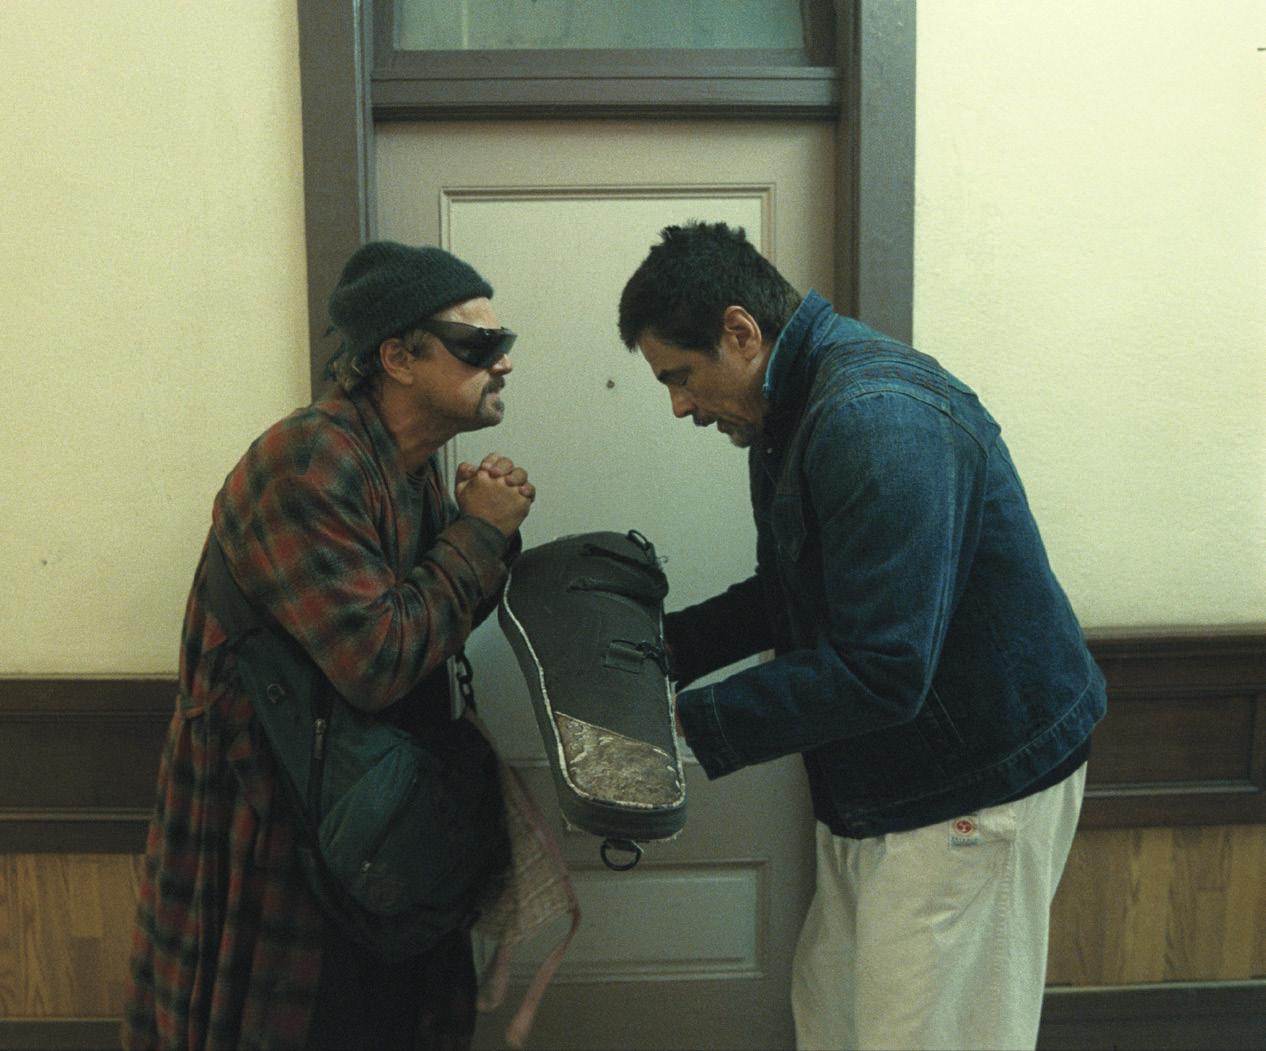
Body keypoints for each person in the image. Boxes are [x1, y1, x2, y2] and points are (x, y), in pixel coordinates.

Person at [618, 221, 1105, 1051]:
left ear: (740, 332)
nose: (679, 405)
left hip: (974, 783)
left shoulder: (876, 420)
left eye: (680, 376)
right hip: (885, 778)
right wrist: (662, 651)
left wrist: (677, 724)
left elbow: (882, 669)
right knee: (835, 1017)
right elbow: (794, 592)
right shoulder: (786, 409)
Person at [123, 241, 535, 1050]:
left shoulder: (406, 466)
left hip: (363, 817)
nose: (504, 361)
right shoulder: (307, 465)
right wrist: (479, 535)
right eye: (478, 343)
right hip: (280, 825)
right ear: (396, 358)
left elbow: (431, 629)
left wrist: (480, 534)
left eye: (503, 340)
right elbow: (378, 661)